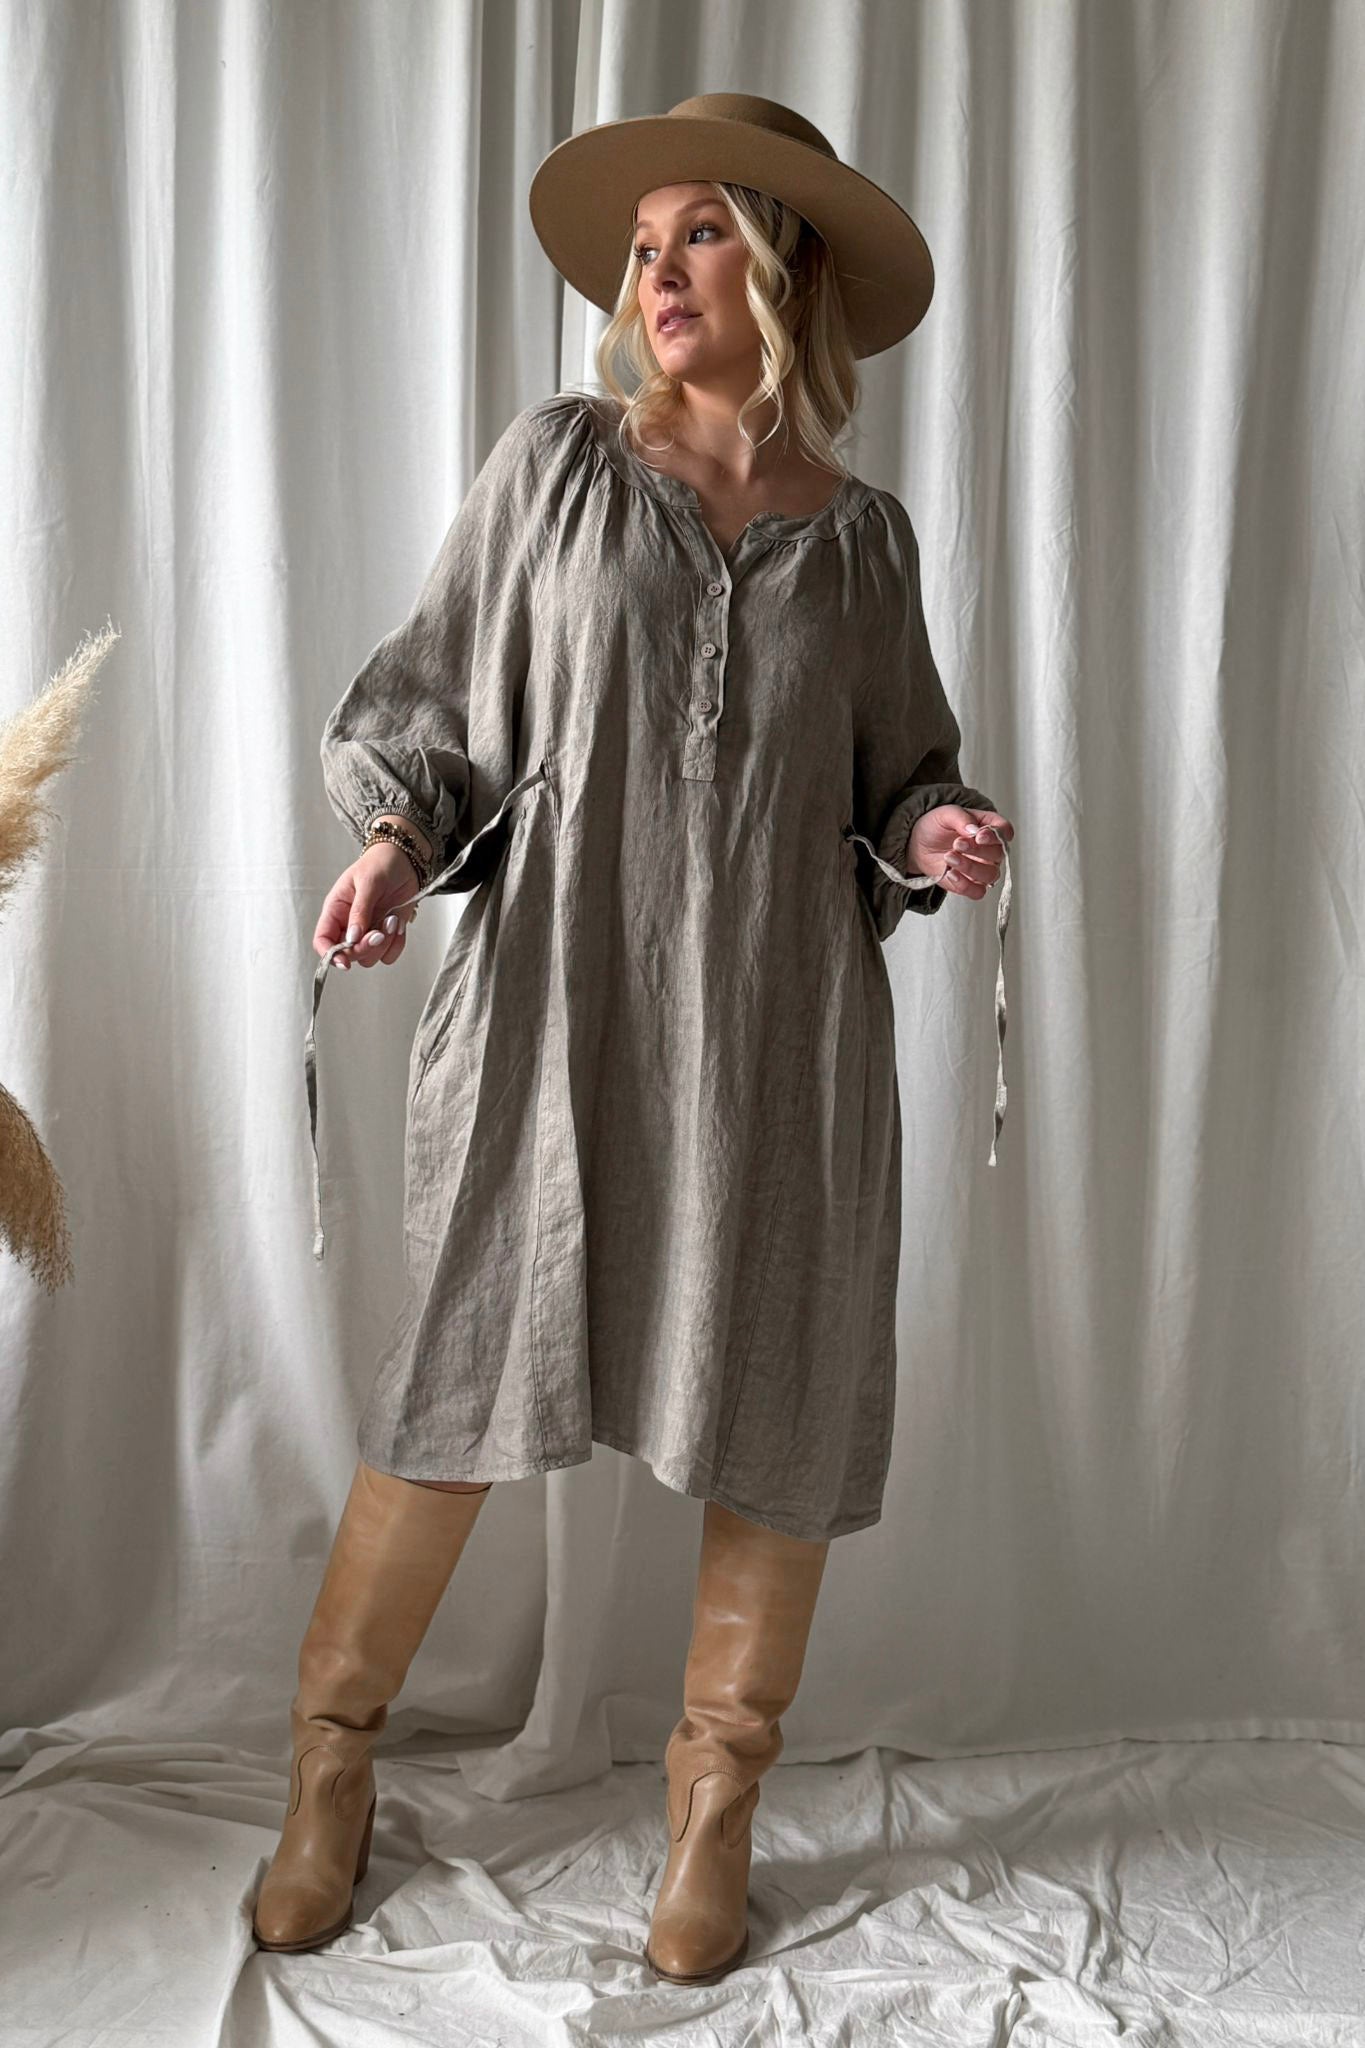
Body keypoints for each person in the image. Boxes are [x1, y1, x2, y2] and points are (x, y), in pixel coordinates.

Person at [257, 93, 1014, 1983]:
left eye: (701, 235)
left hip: (776, 1039)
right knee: (456, 1381)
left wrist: (935, 830)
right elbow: (438, 697)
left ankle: (713, 1805)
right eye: (644, 245)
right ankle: (330, 1765)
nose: (657, 272)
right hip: (551, 1009)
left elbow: (899, 770)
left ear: (786, 268)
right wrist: (388, 846)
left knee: (778, 1398)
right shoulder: (558, 467)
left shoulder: (865, 544)